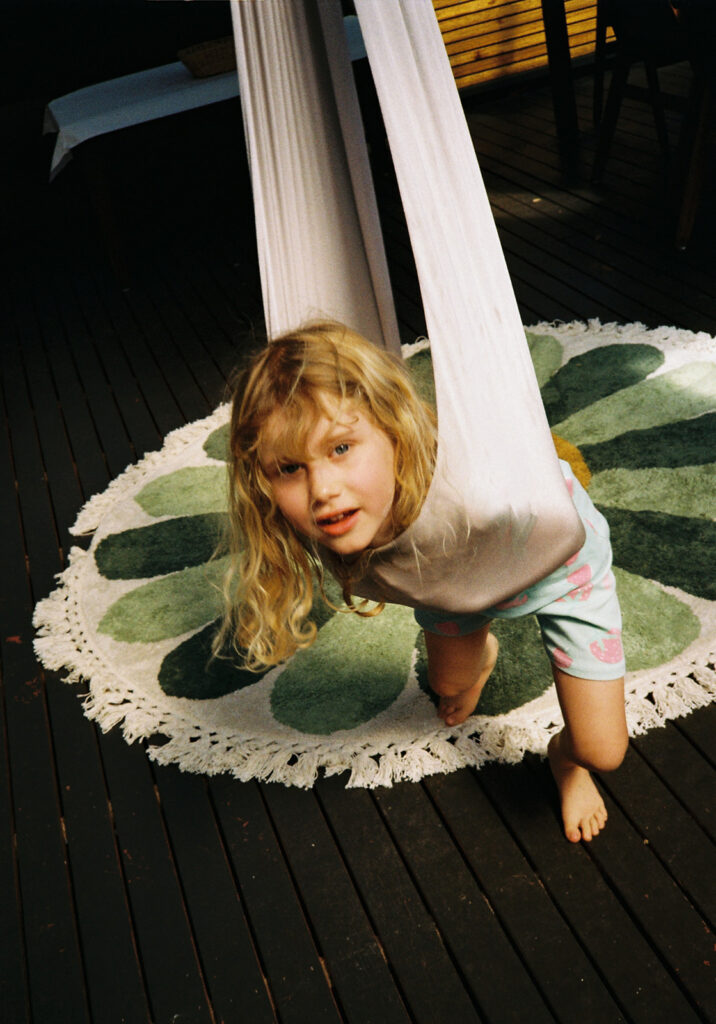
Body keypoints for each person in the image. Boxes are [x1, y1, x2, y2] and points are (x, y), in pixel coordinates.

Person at [219, 321, 629, 843]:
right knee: (449, 686)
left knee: (602, 750)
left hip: (558, 562)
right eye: (289, 467)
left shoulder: (476, 486)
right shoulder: (328, 516)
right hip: (447, 583)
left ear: (395, 431)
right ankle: (481, 654)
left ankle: (565, 763)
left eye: (341, 448)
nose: (322, 488)